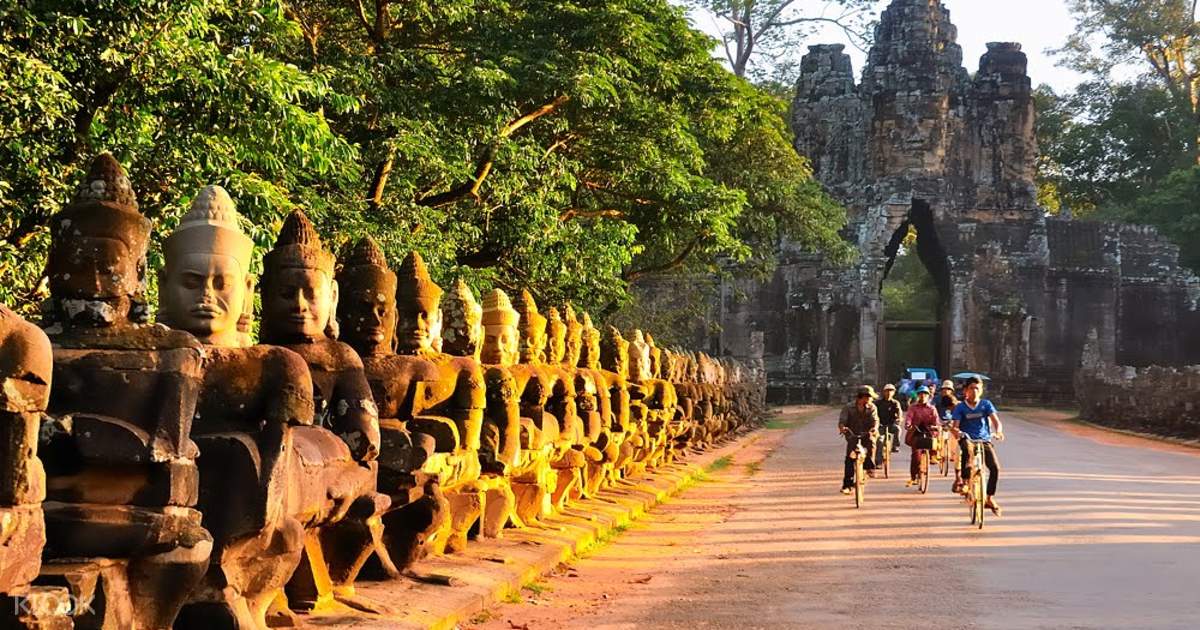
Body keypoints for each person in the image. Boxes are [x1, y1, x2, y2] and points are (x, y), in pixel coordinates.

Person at [951, 376, 1004, 515]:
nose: (974, 391)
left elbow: (996, 421)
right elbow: (955, 426)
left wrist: (998, 432)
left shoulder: (986, 404)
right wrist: (958, 432)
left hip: (984, 439)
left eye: (977, 388)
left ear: (981, 391)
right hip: (967, 437)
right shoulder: (960, 407)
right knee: (967, 453)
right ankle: (965, 482)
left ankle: (989, 497)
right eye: (971, 388)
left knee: (995, 468)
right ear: (965, 391)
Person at [838, 385, 880, 494]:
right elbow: (842, 421)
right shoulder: (848, 407)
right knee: (849, 459)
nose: (870, 400)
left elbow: (875, 421)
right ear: (862, 397)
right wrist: (843, 428)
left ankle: (870, 467)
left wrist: (874, 429)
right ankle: (847, 485)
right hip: (852, 434)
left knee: (871, 441)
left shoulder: (872, 408)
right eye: (869, 397)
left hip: (867, 433)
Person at [904, 387, 940, 487]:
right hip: (916, 432)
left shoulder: (932, 408)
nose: (923, 396)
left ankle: (934, 456)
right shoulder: (913, 407)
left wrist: (935, 426)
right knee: (915, 455)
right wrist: (908, 425)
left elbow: (936, 421)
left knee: (935, 441)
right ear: (918, 395)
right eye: (920, 394)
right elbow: (909, 418)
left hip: (929, 432)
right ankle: (913, 477)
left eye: (925, 394)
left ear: (928, 396)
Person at [876, 383, 903, 460]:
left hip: (891, 425)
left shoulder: (895, 403)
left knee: (898, 429)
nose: (889, 393)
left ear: (894, 393)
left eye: (891, 391)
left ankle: (895, 446)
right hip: (880, 426)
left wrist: (899, 418)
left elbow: (899, 412)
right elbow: (874, 414)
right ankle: (879, 461)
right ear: (883, 392)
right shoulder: (878, 403)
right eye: (887, 391)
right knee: (880, 441)